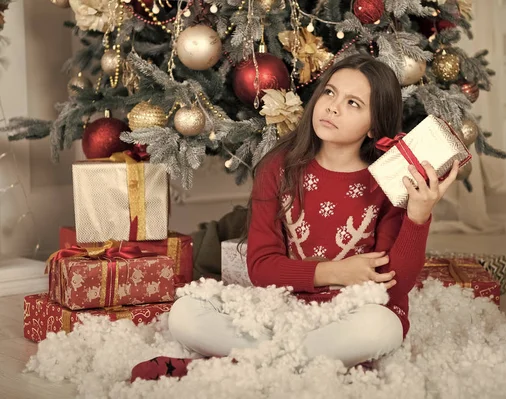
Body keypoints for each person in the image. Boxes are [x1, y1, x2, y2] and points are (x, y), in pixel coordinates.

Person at [130, 53, 459, 382]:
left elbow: (395, 286)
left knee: (382, 328)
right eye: (330, 93)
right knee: (185, 314)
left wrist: (418, 216)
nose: (332, 107)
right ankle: (310, 360)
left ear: (375, 124)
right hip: (285, 306)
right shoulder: (279, 167)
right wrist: (335, 272)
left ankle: (225, 366)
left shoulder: (388, 181)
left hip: (351, 314)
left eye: (353, 103)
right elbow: (260, 267)